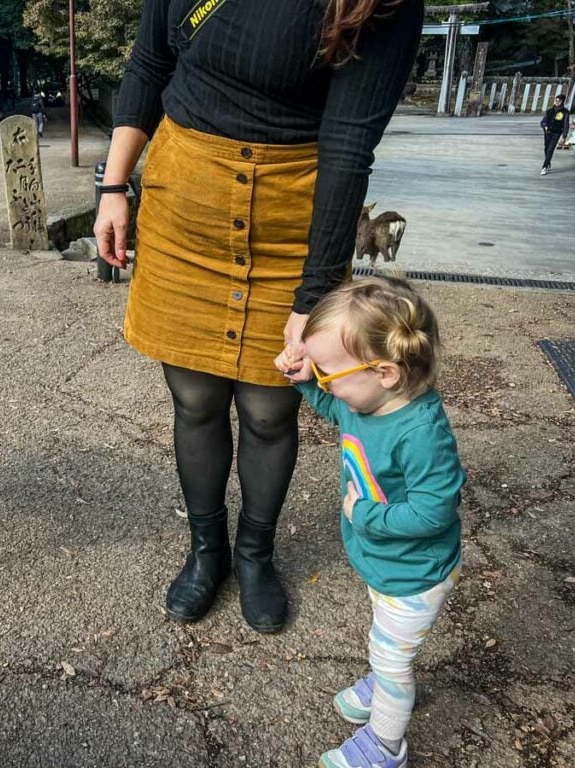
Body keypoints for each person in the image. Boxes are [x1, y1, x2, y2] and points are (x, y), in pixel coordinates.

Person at [93, 0, 423, 633]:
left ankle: (254, 554)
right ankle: (206, 550)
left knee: (272, 407)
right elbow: (150, 63)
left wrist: (314, 297)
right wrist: (113, 186)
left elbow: (351, 142)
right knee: (193, 400)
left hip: (295, 213)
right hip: (185, 204)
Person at [278, 276, 464, 768]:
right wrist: (305, 384)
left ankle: (385, 747)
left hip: (415, 574)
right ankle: (386, 680)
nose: (324, 383)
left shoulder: (421, 433)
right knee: (385, 644)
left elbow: (432, 510)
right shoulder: (371, 400)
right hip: (388, 565)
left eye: (327, 374)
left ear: (383, 371)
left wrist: (364, 514)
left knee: (392, 657)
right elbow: (339, 411)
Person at [540, 94, 570, 176]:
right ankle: (548, 161)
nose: (557, 102)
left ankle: (544, 167)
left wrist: (564, 136)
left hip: (556, 133)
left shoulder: (565, 112)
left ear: (562, 102)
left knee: (550, 149)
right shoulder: (549, 110)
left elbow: (566, 124)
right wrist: (545, 127)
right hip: (547, 132)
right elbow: (543, 122)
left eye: (559, 101)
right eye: (556, 100)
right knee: (546, 148)